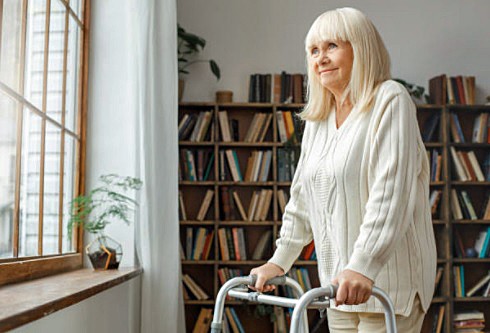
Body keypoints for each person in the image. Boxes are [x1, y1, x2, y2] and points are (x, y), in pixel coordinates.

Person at [250, 7, 437, 333]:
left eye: (332, 46)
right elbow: (301, 200)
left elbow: (390, 193)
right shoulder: (318, 120)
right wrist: (279, 260)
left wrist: (363, 267)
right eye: (313, 51)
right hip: (339, 288)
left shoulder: (390, 100)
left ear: (362, 48)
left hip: (387, 287)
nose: (321, 58)